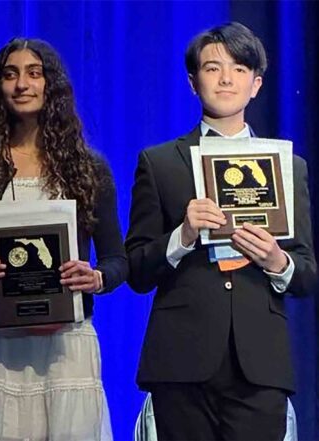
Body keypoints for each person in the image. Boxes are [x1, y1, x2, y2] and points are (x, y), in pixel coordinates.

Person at [125, 22, 317, 441]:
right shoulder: (160, 163)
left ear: (256, 84)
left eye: (239, 68)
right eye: (213, 68)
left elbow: (305, 274)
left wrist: (276, 261)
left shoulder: (288, 167)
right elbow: (136, 270)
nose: (226, 78)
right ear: (193, 83)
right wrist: (182, 236)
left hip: (260, 363)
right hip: (180, 361)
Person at [0, 37, 127, 441]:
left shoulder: (88, 168)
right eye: (10, 75)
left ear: (52, 85)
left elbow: (118, 260)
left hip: (65, 349)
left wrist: (95, 278)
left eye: (33, 73)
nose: (22, 84)